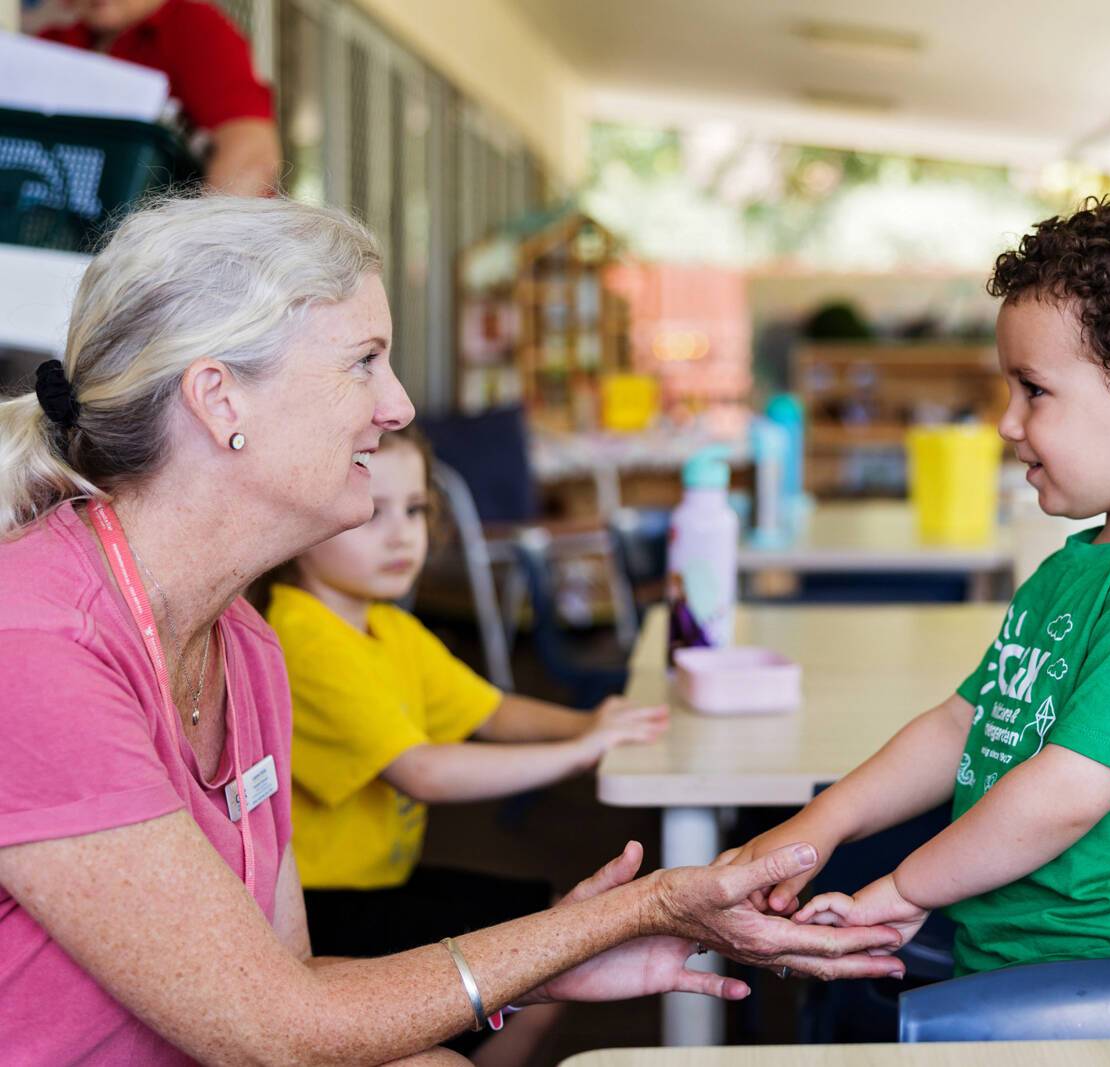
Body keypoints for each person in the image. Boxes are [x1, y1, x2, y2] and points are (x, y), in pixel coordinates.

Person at [0, 194, 906, 1066]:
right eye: (364, 361)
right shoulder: (35, 642)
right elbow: (277, 1029)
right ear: (219, 399)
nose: (398, 406)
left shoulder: (244, 642)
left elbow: (289, 985)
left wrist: (544, 962)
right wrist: (640, 908)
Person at [721, 182, 1110, 975]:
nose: (1007, 421)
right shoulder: (1077, 567)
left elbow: (1065, 793)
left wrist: (903, 889)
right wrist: (823, 823)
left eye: (1035, 390)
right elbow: (963, 726)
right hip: (1019, 965)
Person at [260, 424, 668, 1062]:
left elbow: (493, 711)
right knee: (551, 945)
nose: (402, 534)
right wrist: (580, 751)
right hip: (322, 914)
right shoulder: (300, 635)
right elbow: (421, 772)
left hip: (382, 883)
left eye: (416, 511)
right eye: (371, 512)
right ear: (307, 516)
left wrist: (594, 725)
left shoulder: (388, 626)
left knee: (558, 934)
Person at [36, 0, 282, 195]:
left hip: (173, 245)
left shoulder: (194, 27)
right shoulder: (50, 46)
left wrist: (190, 245)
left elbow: (252, 156)